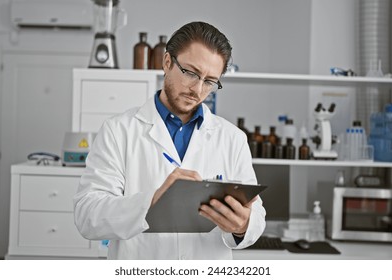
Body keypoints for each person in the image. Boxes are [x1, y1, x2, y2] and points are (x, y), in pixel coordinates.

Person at [74, 21, 266, 260]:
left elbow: (256, 216)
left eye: (209, 81)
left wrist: (242, 226)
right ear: (167, 62)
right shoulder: (118, 130)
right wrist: (152, 201)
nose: (197, 89)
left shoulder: (232, 138)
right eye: (191, 73)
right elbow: (87, 216)